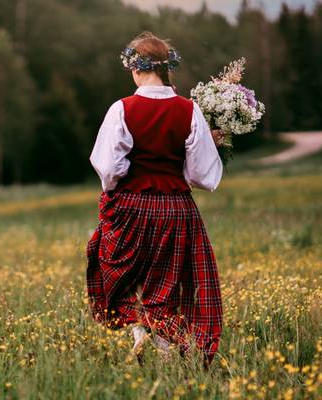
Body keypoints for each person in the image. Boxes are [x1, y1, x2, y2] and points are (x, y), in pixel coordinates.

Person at [86, 32, 224, 365]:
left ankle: (141, 336)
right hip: (176, 209)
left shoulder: (122, 109)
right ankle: (162, 349)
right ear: (166, 69)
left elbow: (107, 169)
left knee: (123, 276)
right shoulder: (189, 111)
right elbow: (203, 176)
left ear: (135, 69)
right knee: (167, 282)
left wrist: (123, 184)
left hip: (131, 206)